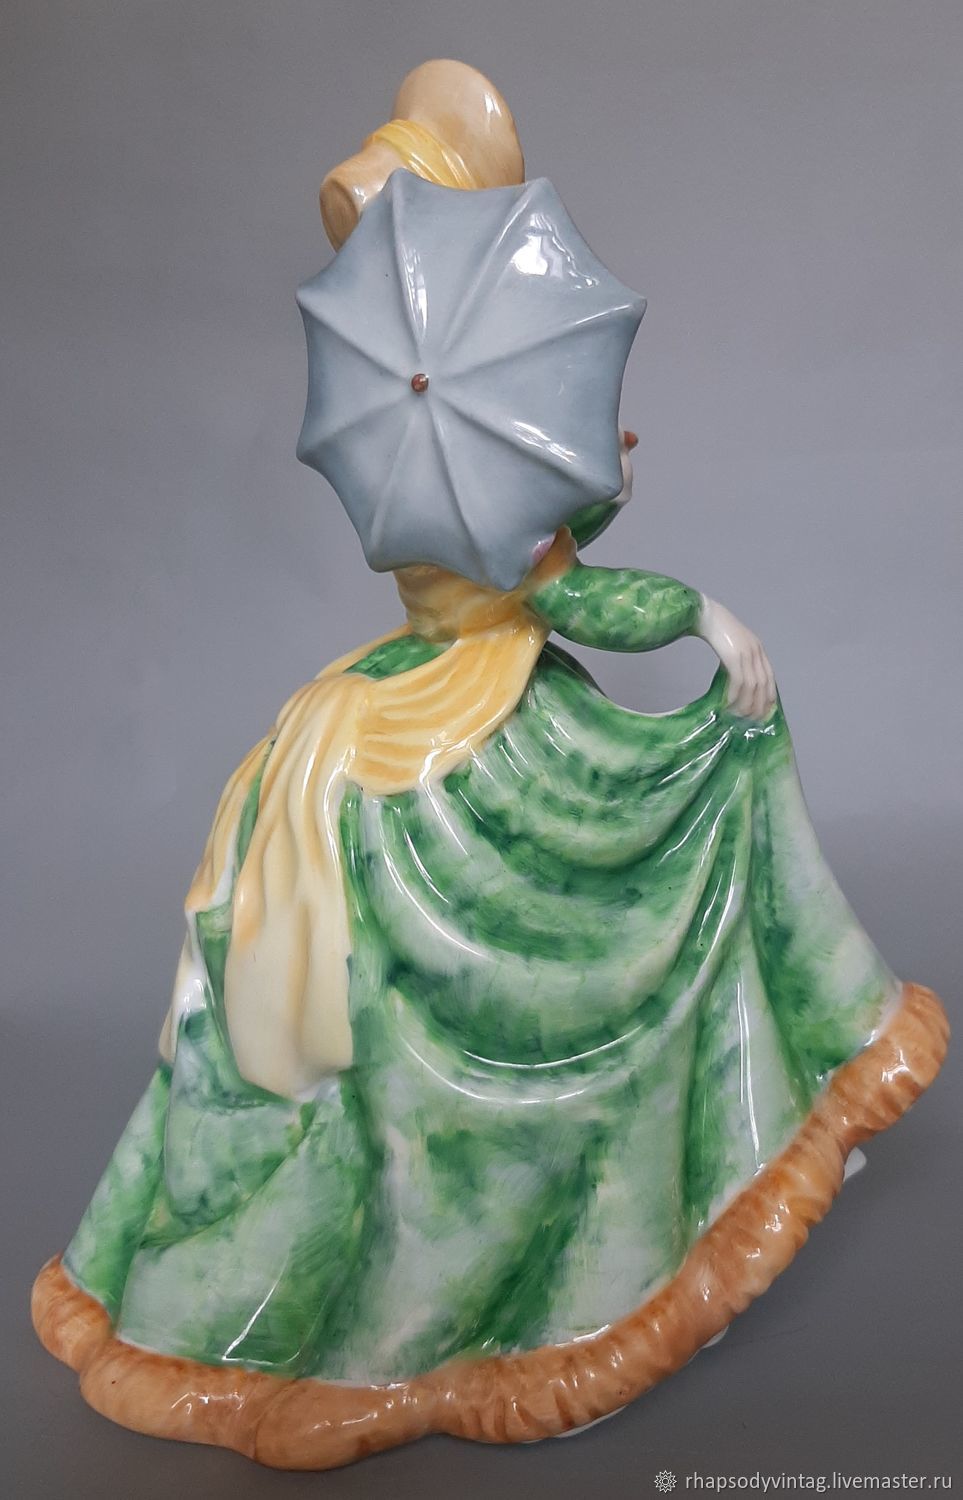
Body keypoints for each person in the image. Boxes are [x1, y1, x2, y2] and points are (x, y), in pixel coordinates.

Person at [33, 59, 947, 1471]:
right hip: (470, 716)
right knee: (615, 919)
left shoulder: (407, 424)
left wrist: (583, 490)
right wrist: (705, 616)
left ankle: (245, 1275)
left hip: (349, 721)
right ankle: (535, 1253)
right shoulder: (487, 421)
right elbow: (566, 599)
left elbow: (500, 557)